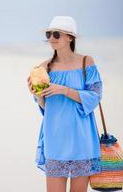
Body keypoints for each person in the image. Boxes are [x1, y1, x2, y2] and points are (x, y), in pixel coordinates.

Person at [27, 16, 103, 192]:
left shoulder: (86, 62)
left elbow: (95, 96)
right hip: (55, 138)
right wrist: (36, 94)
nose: (51, 38)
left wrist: (64, 90)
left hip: (81, 139)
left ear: (70, 37)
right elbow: (46, 108)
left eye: (56, 34)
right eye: (49, 34)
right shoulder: (44, 67)